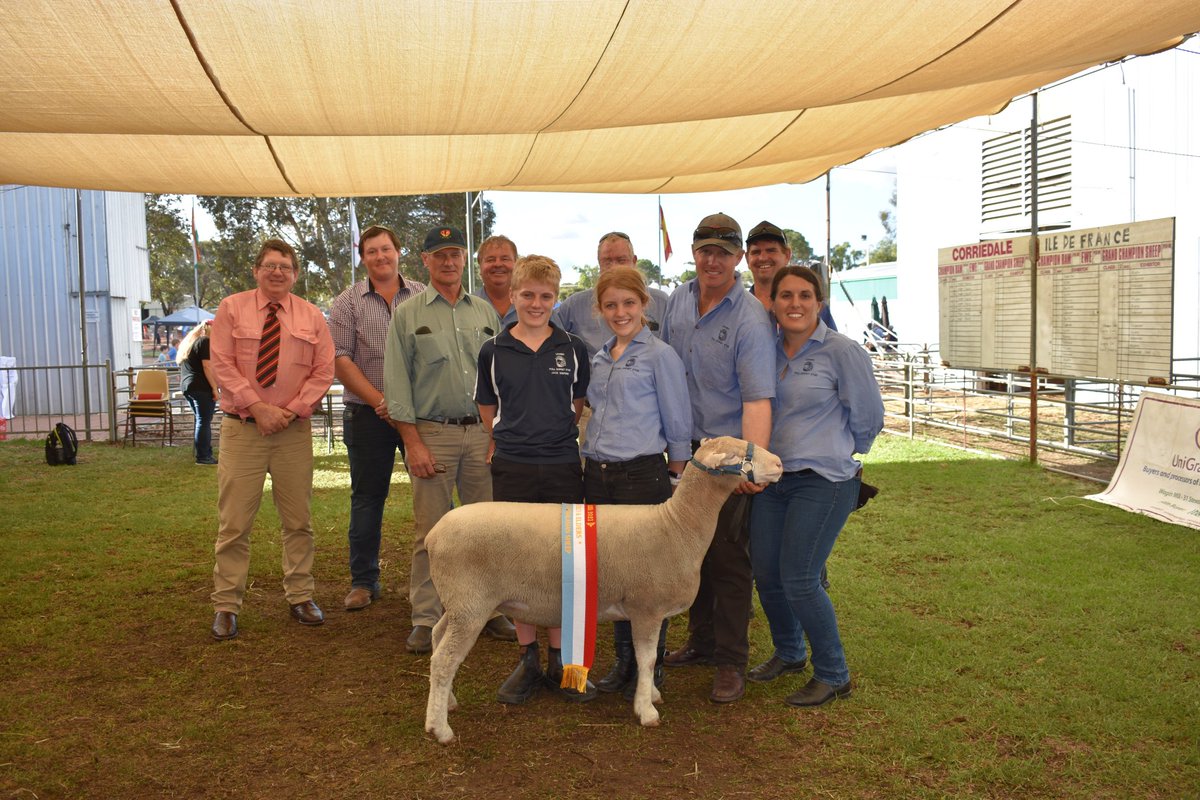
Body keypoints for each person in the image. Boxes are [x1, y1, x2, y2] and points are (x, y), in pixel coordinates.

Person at [748, 265, 884, 706]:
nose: (795, 304)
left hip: (823, 481)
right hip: (774, 480)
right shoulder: (766, 350)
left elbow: (869, 417)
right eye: (785, 295)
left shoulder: (842, 351)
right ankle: (789, 653)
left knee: (801, 578)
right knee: (766, 573)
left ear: (819, 303)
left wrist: (840, 452)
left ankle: (834, 673)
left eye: (805, 296)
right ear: (772, 303)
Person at [659, 213, 775, 704]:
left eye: (723, 253)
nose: (712, 260)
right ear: (693, 251)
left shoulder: (749, 316)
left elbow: (757, 399)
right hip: (684, 451)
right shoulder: (678, 301)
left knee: (729, 560)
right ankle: (701, 642)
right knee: (692, 552)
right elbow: (662, 370)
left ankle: (730, 661)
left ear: (738, 259)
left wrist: (748, 464)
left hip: (726, 453)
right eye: (705, 250)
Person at [384, 225, 516, 654]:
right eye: (438, 254)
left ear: (464, 259)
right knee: (431, 533)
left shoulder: (484, 314)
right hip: (432, 434)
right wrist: (412, 442)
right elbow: (397, 383)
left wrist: (498, 435)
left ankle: (491, 610)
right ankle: (425, 616)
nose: (447, 261)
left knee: (487, 530)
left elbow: (500, 380)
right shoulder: (407, 314)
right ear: (424, 261)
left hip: (481, 435)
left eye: (454, 253)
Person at [475, 254, 594, 704]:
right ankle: (527, 658)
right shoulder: (493, 349)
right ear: (515, 296)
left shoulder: (572, 347)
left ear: (555, 298)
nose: (536, 303)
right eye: (528, 295)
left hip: (563, 463)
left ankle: (564, 661)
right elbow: (488, 408)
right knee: (519, 561)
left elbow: (577, 403)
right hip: (513, 466)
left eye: (546, 296)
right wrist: (509, 439)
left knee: (565, 562)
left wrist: (551, 436)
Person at [208, 239, 335, 641]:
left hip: (293, 433)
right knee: (234, 524)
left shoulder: (312, 316)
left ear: (295, 273)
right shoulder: (231, 308)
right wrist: (257, 407)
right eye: (270, 265)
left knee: (298, 521)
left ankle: (301, 596)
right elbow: (222, 363)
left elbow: (324, 370)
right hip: (242, 430)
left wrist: (292, 410)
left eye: (285, 266)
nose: (277, 272)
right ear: (256, 270)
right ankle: (226, 604)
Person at [582, 266, 691, 699]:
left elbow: (679, 422)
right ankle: (624, 663)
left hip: (641, 476)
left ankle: (652, 667)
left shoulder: (660, 355)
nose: (620, 312)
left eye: (628, 303)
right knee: (611, 573)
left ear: (644, 305)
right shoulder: (598, 355)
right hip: (598, 474)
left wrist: (676, 476)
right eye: (611, 305)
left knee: (648, 578)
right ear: (600, 309)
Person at [328, 224, 426, 611]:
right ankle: (364, 581)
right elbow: (341, 359)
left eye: (386, 249)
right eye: (372, 251)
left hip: (421, 414)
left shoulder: (422, 295)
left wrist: (405, 405)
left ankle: (441, 579)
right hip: (368, 414)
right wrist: (384, 402)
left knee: (432, 497)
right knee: (368, 498)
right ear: (362, 256)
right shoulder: (347, 301)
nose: (380, 257)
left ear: (398, 252)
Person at [555, 232, 670, 448]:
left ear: (634, 262)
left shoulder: (662, 302)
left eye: (621, 260)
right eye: (607, 261)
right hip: (594, 413)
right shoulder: (574, 305)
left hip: (647, 414)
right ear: (598, 264)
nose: (614, 267)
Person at [177, 320, 218, 465]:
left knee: (201, 421)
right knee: (204, 421)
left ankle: (204, 452)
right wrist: (214, 388)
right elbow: (207, 367)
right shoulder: (205, 341)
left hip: (188, 385)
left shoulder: (190, 343)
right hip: (201, 386)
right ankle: (203, 456)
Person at [473, 234, 518, 328]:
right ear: (480, 267)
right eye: (490, 260)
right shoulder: (468, 307)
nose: (498, 264)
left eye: (505, 259)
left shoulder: (534, 307)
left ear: (516, 264)